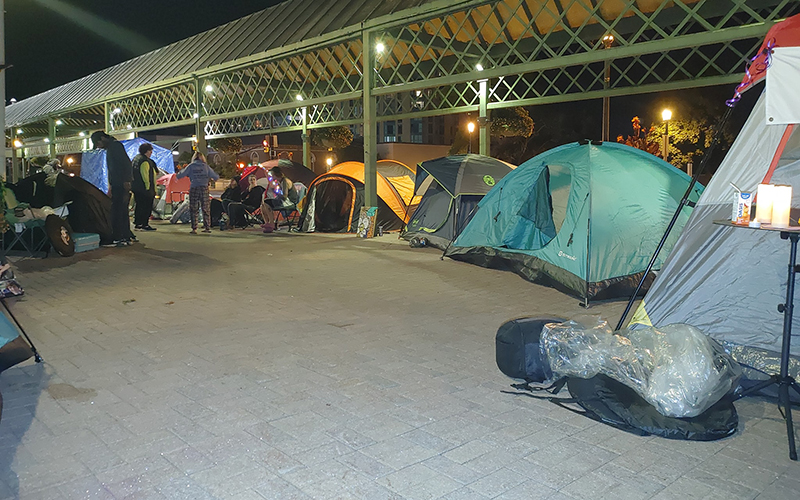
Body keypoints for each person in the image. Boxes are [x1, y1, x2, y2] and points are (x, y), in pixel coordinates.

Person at [91, 131, 133, 246]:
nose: (99, 146)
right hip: (119, 183)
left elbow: (125, 164)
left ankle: (117, 237)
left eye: (98, 143)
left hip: (120, 184)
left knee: (117, 210)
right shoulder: (114, 146)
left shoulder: (115, 147)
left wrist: (126, 181)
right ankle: (125, 236)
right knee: (122, 210)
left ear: (103, 138)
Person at [175, 151, 219, 233]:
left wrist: (177, 176)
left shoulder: (191, 166)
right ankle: (207, 227)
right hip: (204, 188)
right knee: (205, 208)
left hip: (194, 188)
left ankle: (194, 228)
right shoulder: (206, 167)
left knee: (194, 208)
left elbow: (182, 173)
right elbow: (215, 176)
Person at [260, 166, 298, 233]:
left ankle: (271, 223)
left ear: (276, 175)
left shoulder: (285, 181)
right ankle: (267, 223)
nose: (272, 177)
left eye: (272, 175)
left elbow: (285, 196)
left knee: (266, 202)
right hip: (284, 200)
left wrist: (276, 193)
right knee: (262, 205)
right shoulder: (280, 182)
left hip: (289, 202)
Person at [131, 142, 158, 231]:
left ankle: (138, 223)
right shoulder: (145, 161)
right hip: (144, 189)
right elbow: (145, 175)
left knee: (139, 206)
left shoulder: (136, 159)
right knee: (146, 207)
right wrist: (148, 188)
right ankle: (144, 224)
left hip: (136, 187)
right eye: (150, 151)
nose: (151, 153)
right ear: (147, 151)